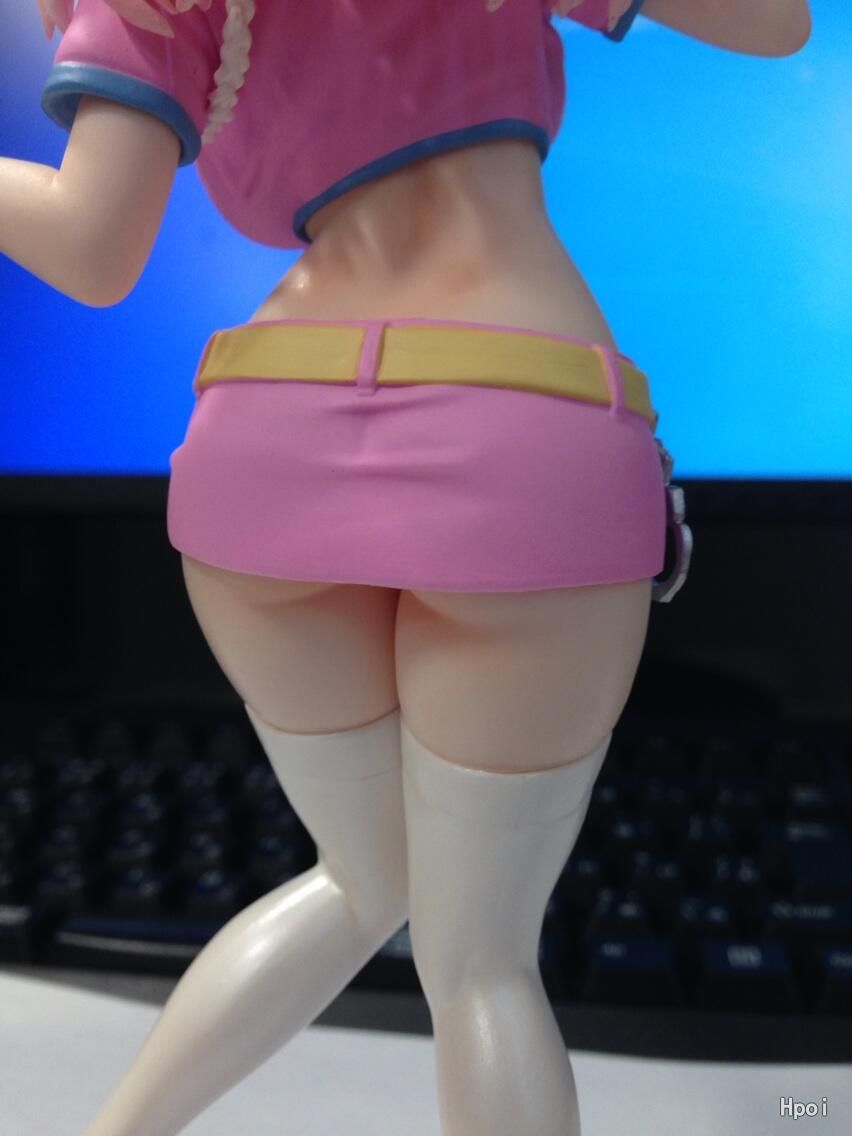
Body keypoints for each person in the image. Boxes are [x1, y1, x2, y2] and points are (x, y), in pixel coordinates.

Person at [2, 1, 809, 1132]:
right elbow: (778, 25)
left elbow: (92, 250)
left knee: (362, 875)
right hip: (519, 419)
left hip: (268, 430)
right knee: (482, 960)